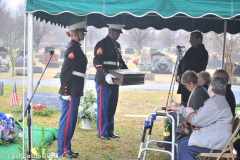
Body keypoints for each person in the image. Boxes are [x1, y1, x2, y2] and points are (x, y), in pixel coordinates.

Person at [167, 77, 233, 160]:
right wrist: (181, 109)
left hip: (217, 142)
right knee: (184, 142)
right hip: (219, 139)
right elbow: (201, 114)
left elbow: (196, 121)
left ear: (211, 88)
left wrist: (188, 111)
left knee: (184, 146)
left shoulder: (214, 102)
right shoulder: (219, 100)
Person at [58, 22, 88, 158]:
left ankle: (67, 148)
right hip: (70, 90)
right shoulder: (72, 49)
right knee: (68, 120)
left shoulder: (76, 48)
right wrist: (65, 92)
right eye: (82, 32)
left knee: (72, 120)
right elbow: (65, 72)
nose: (84, 34)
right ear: (75, 33)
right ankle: (63, 150)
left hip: (75, 89)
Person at [157, 70, 209, 149]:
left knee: (172, 117)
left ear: (191, 83)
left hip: (197, 125)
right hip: (196, 120)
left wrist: (178, 109)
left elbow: (195, 113)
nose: (186, 87)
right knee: (173, 116)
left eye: (185, 85)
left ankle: (169, 142)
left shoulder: (199, 93)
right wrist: (182, 105)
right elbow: (192, 108)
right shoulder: (198, 90)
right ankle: (169, 141)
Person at [93, 24, 128, 140]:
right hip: (104, 80)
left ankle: (109, 131)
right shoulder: (101, 44)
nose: (118, 35)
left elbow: (120, 61)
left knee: (112, 107)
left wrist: (128, 71)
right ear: (110, 31)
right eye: (117, 32)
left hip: (115, 81)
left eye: (119, 33)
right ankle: (102, 132)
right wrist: (106, 74)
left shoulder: (117, 45)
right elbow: (97, 62)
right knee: (103, 107)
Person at [176, 31, 209, 105]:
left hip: (193, 84)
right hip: (185, 83)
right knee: (184, 104)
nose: (190, 41)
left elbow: (196, 69)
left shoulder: (203, 53)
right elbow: (181, 63)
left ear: (199, 40)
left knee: (190, 105)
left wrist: (182, 77)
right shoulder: (190, 50)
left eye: (192, 39)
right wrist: (178, 76)